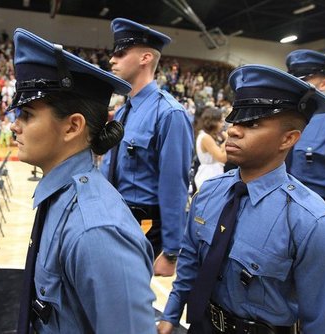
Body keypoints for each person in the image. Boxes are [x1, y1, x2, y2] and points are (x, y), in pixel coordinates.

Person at [158, 64, 325, 334]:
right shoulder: (209, 193)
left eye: (252, 123)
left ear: (288, 138)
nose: (233, 130)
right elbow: (190, 264)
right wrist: (170, 315)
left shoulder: (314, 224)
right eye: (235, 119)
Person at [11, 28, 156, 333]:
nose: (15, 126)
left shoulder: (96, 231)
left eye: (26, 115)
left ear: (72, 127)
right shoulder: (62, 197)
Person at [100, 18, 194, 276]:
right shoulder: (121, 114)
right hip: (113, 217)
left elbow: (174, 185)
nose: (112, 60)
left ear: (145, 58)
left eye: (120, 53)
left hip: (144, 224)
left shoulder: (170, 114)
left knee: (129, 300)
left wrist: (172, 250)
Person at [285, 49, 325, 205]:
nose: (296, 85)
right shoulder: (282, 116)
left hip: (317, 205)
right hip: (278, 201)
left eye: (304, 80)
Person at [193, 107, 227, 190]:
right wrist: (229, 140)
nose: (223, 124)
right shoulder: (206, 137)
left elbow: (219, 151)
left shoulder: (206, 135)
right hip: (209, 175)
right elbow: (222, 158)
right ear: (213, 122)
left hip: (211, 174)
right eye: (220, 121)